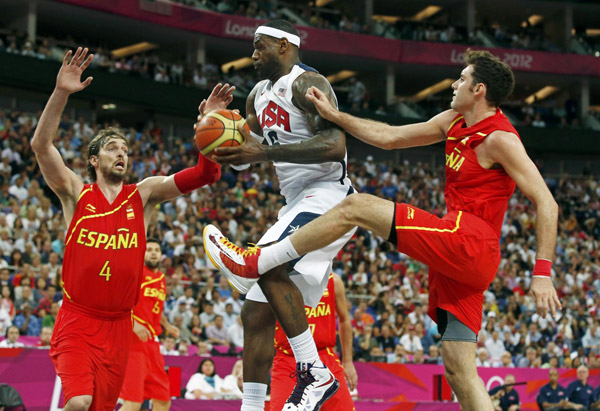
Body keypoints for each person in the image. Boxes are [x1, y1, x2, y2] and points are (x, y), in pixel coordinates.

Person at [205, 49, 561, 411]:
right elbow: (389, 137)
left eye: (462, 79)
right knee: (459, 370)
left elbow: (547, 202)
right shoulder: (454, 120)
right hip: (458, 257)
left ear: (479, 89)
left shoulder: (501, 138)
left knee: (357, 206)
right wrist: (335, 116)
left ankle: (257, 261)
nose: (454, 84)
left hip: (470, 240)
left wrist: (542, 273)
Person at [30, 47, 221, 411]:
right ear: (93, 159)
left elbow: (205, 175)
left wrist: (208, 130)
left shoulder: (144, 195)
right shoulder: (75, 193)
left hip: (118, 329)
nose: (122, 154)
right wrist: (61, 93)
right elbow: (41, 146)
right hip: (77, 319)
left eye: (125, 150)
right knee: (78, 402)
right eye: (112, 148)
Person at [202, 20, 355, 411]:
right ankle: (252, 406)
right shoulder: (257, 95)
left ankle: (314, 373)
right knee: (254, 310)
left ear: (285, 46)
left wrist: (263, 154)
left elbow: (335, 144)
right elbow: (245, 153)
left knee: (264, 264)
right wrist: (216, 127)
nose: (253, 55)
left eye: (260, 46)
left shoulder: (308, 83)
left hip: (328, 197)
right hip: (296, 203)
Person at [269, 273, 357, 411]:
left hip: (324, 357)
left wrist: (348, 361)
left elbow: (345, 319)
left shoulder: (334, 281)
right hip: (288, 360)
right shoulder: (276, 280)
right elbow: (258, 325)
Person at [119, 238, 181, 411]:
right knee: (133, 402)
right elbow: (116, 302)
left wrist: (167, 325)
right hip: (132, 343)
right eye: (149, 249)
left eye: (157, 250)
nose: (153, 252)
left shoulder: (161, 278)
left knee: (163, 399)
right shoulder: (134, 273)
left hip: (152, 344)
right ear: (142, 253)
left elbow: (155, 308)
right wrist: (133, 323)